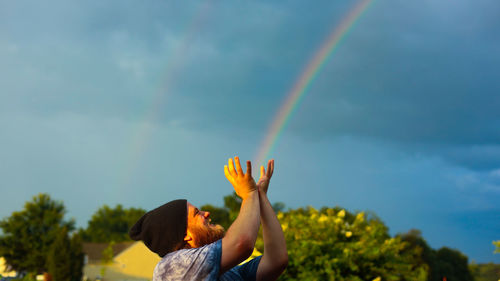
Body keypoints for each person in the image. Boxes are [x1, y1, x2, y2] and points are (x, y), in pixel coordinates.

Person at [129, 156, 288, 281]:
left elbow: (277, 260)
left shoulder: (224, 272)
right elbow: (242, 243)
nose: (207, 213)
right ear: (186, 235)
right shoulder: (173, 266)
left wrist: (261, 197)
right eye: (196, 213)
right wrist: (249, 194)